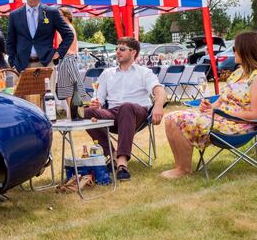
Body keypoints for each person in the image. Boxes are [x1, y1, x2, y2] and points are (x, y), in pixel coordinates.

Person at [162, 31, 257, 179]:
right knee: (170, 118)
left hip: (238, 126)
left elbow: (254, 114)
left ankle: (183, 170)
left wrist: (219, 113)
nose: (233, 52)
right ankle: (180, 167)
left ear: (246, 50)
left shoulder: (255, 78)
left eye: (235, 48)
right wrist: (209, 107)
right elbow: (221, 100)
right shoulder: (237, 73)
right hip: (220, 119)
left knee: (177, 118)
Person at [85, 37, 167, 181]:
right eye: (117, 49)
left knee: (126, 107)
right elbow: (99, 100)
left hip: (136, 113)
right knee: (87, 112)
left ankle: (122, 163)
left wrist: (158, 106)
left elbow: (160, 92)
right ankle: (112, 154)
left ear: (133, 52)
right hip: (112, 113)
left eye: (122, 49)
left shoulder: (144, 72)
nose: (117, 52)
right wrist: (95, 105)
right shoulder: (107, 73)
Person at [6, 0, 73, 74]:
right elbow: (10, 42)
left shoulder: (51, 12)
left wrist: (58, 53)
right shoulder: (15, 15)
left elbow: (69, 35)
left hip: (45, 64)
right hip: (22, 66)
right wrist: (13, 63)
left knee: (48, 90)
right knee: (23, 90)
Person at [55, 7, 86, 114]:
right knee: (70, 88)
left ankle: (72, 113)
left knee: (70, 88)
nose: (58, 17)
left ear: (67, 16)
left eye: (60, 15)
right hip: (69, 59)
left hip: (67, 58)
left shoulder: (66, 28)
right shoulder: (69, 27)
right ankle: (72, 113)